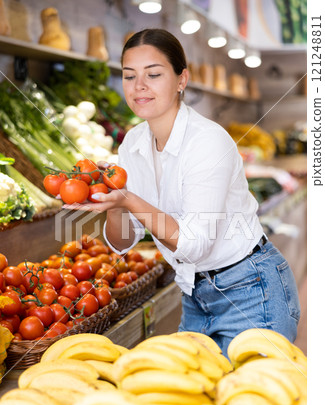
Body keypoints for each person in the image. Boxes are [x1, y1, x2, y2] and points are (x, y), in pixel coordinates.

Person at [64, 28, 301, 357]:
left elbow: (196, 243)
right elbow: (123, 241)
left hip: (250, 289)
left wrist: (129, 198)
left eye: (154, 74)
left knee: (247, 399)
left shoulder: (207, 142)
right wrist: (113, 201)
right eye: (129, 76)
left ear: (181, 79)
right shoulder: (132, 143)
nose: (139, 86)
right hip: (194, 293)